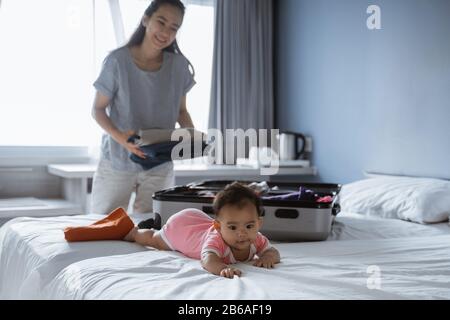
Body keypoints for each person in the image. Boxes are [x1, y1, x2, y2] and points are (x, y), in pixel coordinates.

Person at [91, 0, 196, 215]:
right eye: (161, 22)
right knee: (103, 226)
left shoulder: (178, 66)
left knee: (152, 228)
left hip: (159, 162)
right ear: (146, 19)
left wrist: (191, 135)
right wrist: (123, 140)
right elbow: (98, 109)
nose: (166, 32)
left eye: (174, 28)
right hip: (118, 160)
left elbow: (181, 111)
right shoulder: (117, 61)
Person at [124, 182, 281, 278]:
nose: (242, 233)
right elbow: (208, 260)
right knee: (155, 240)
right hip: (182, 229)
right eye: (232, 227)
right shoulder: (216, 240)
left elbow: (273, 252)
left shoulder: (256, 239)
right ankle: (134, 233)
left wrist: (268, 257)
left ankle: (147, 225)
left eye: (249, 226)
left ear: (258, 224)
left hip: (200, 220)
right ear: (218, 227)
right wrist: (222, 269)